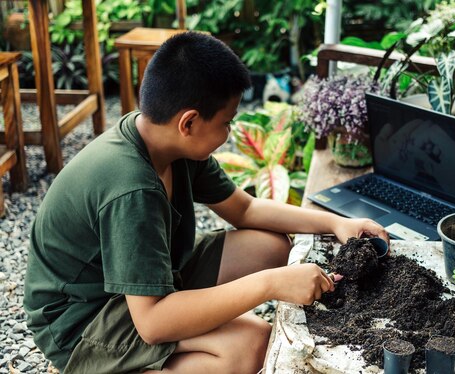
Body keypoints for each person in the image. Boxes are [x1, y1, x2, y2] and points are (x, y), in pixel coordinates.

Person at [23, 32, 388, 373]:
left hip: (146, 284)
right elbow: (151, 324)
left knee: (268, 245)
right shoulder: (131, 189)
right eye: (227, 122)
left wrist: (336, 222)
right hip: (83, 320)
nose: (229, 133)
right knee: (251, 345)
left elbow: (244, 209)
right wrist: (269, 285)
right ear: (189, 122)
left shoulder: (167, 143)